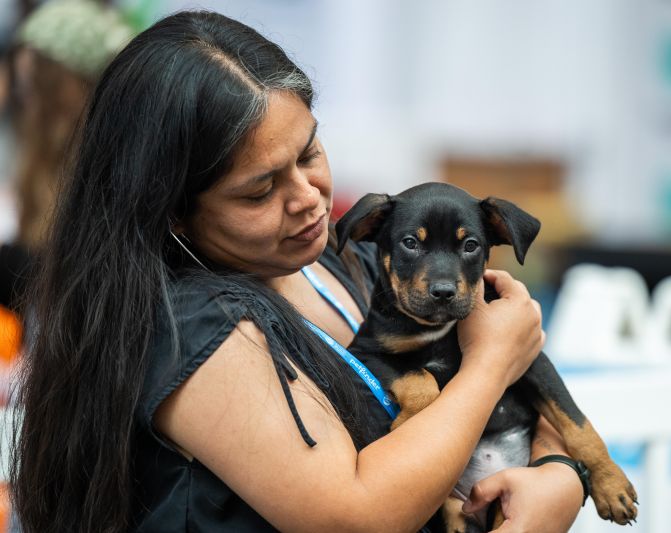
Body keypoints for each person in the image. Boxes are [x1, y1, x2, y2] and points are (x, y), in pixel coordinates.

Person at [10, 10, 584, 533]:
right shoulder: (192, 330)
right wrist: (490, 361)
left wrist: (559, 476)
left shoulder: (356, 264)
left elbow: (530, 396)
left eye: (309, 153)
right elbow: (355, 517)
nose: (308, 198)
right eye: (261, 190)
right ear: (176, 213)